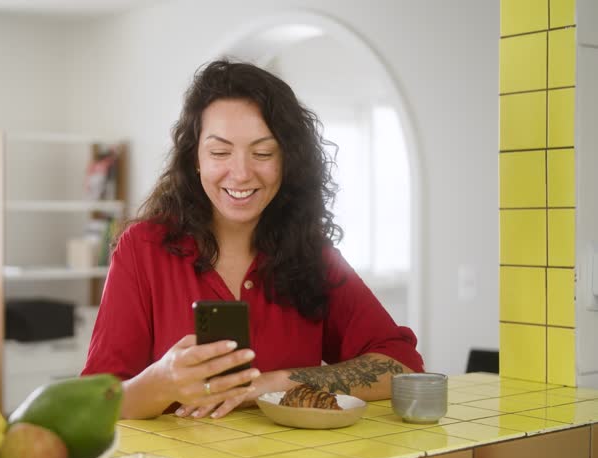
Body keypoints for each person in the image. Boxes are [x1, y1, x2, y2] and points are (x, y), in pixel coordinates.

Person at [82, 59, 423, 420]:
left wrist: (277, 383)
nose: (242, 173)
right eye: (219, 152)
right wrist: (163, 381)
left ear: (287, 161)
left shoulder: (313, 255)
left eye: (263, 153)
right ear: (195, 158)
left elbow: (401, 364)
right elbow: (93, 405)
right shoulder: (143, 248)